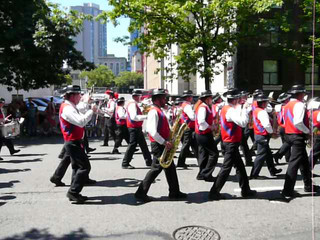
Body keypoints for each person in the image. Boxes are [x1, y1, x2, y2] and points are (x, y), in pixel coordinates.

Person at [135, 89, 187, 202]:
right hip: (159, 144)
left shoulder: (158, 110)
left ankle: (174, 192)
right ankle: (140, 193)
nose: (165, 100)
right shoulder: (154, 112)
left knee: (170, 168)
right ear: (157, 99)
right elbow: (152, 131)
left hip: (161, 143)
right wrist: (165, 142)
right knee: (156, 168)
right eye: (163, 98)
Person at [209, 88, 256, 200]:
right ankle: (214, 192)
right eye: (239, 98)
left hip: (230, 142)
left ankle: (246, 190)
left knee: (240, 167)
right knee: (226, 168)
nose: (241, 100)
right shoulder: (229, 110)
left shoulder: (228, 108)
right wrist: (245, 109)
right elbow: (243, 123)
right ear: (235, 100)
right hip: (230, 143)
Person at [54, 85, 97, 203]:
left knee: (77, 167)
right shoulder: (68, 108)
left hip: (74, 141)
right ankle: (73, 192)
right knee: (84, 167)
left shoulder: (70, 106)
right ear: (72, 96)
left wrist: (87, 105)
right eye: (79, 94)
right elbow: (81, 121)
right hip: (72, 142)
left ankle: (74, 191)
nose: (80, 97)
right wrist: (91, 111)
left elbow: (80, 111)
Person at [281, 85, 319, 199]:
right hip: (297, 135)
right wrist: (308, 131)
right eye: (303, 93)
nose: (304, 96)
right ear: (299, 94)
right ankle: (287, 190)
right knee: (294, 164)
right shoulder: (299, 105)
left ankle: (308, 185)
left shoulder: (287, 105)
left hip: (290, 134)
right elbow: (298, 122)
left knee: (304, 163)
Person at [249, 93, 282, 178]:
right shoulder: (262, 112)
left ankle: (272, 170)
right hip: (263, 135)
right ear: (263, 103)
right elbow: (267, 125)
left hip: (259, 134)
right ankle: (254, 174)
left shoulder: (256, 110)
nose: (267, 103)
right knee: (261, 155)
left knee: (268, 154)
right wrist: (272, 132)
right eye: (266, 102)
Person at [122, 89, 152, 169]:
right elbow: (134, 117)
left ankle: (149, 161)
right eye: (140, 96)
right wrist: (146, 116)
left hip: (136, 127)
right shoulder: (132, 104)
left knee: (143, 145)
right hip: (134, 127)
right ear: (136, 96)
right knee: (132, 145)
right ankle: (125, 163)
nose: (141, 98)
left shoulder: (133, 103)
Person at [194, 90, 218, 182]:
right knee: (214, 154)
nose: (212, 99)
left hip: (201, 134)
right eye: (211, 98)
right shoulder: (203, 107)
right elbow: (201, 122)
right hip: (204, 134)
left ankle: (201, 174)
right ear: (207, 99)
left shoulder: (204, 107)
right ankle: (207, 174)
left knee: (204, 154)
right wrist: (211, 127)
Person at [177, 90, 198, 169]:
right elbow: (192, 117)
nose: (192, 98)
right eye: (191, 96)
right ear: (189, 98)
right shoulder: (187, 106)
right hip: (189, 127)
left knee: (194, 145)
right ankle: (181, 162)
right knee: (186, 145)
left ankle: (201, 161)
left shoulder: (184, 105)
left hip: (187, 127)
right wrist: (197, 115)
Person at [273, 93, 292, 164]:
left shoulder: (277, 107)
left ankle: (287, 158)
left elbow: (275, 119)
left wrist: (275, 128)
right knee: (288, 143)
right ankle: (278, 155)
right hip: (286, 127)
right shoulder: (288, 107)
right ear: (286, 100)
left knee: (286, 143)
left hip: (280, 127)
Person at [308, 97, 320, 169]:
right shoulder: (318, 113)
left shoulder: (312, 113)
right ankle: (308, 170)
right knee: (314, 153)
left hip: (316, 132)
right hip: (318, 134)